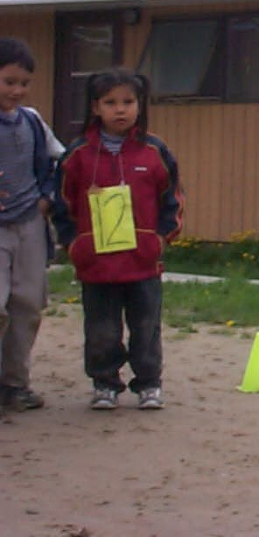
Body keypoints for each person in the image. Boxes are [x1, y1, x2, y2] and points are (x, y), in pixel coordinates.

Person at [52, 68, 182, 410]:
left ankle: (149, 384)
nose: (120, 110)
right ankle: (105, 383)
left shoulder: (155, 152)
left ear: (140, 105)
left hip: (142, 262)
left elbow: (173, 199)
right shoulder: (77, 155)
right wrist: (73, 245)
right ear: (95, 107)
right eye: (111, 102)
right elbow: (61, 204)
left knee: (146, 327)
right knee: (101, 329)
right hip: (97, 264)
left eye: (128, 102)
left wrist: (161, 238)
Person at [0, 38, 59, 414]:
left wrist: (49, 196)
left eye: (24, 82)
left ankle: (14, 383)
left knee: (27, 305)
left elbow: (62, 160)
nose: (17, 90)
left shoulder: (33, 121)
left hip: (30, 223)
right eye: (8, 81)